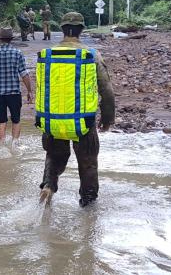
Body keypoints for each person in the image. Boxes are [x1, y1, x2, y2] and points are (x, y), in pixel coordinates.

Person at [35, 12, 115, 207]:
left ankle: (48, 186)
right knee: (88, 163)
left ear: (62, 30)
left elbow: (42, 88)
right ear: (81, 30)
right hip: (83, 122)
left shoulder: (47, 55)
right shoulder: (91, 55)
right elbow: (107, 91)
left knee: (54, 156)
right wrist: (107, 119)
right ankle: (88, 205)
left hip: (52, 120)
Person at [0, 27, 33, 145]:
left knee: (1, 122)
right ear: (11, 39)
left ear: (0, 39)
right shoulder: (17, 53)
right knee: (16, 120)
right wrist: (29, 91)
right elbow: (24, 74)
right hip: (14, 93)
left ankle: (1, 148)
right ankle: (15, 145)